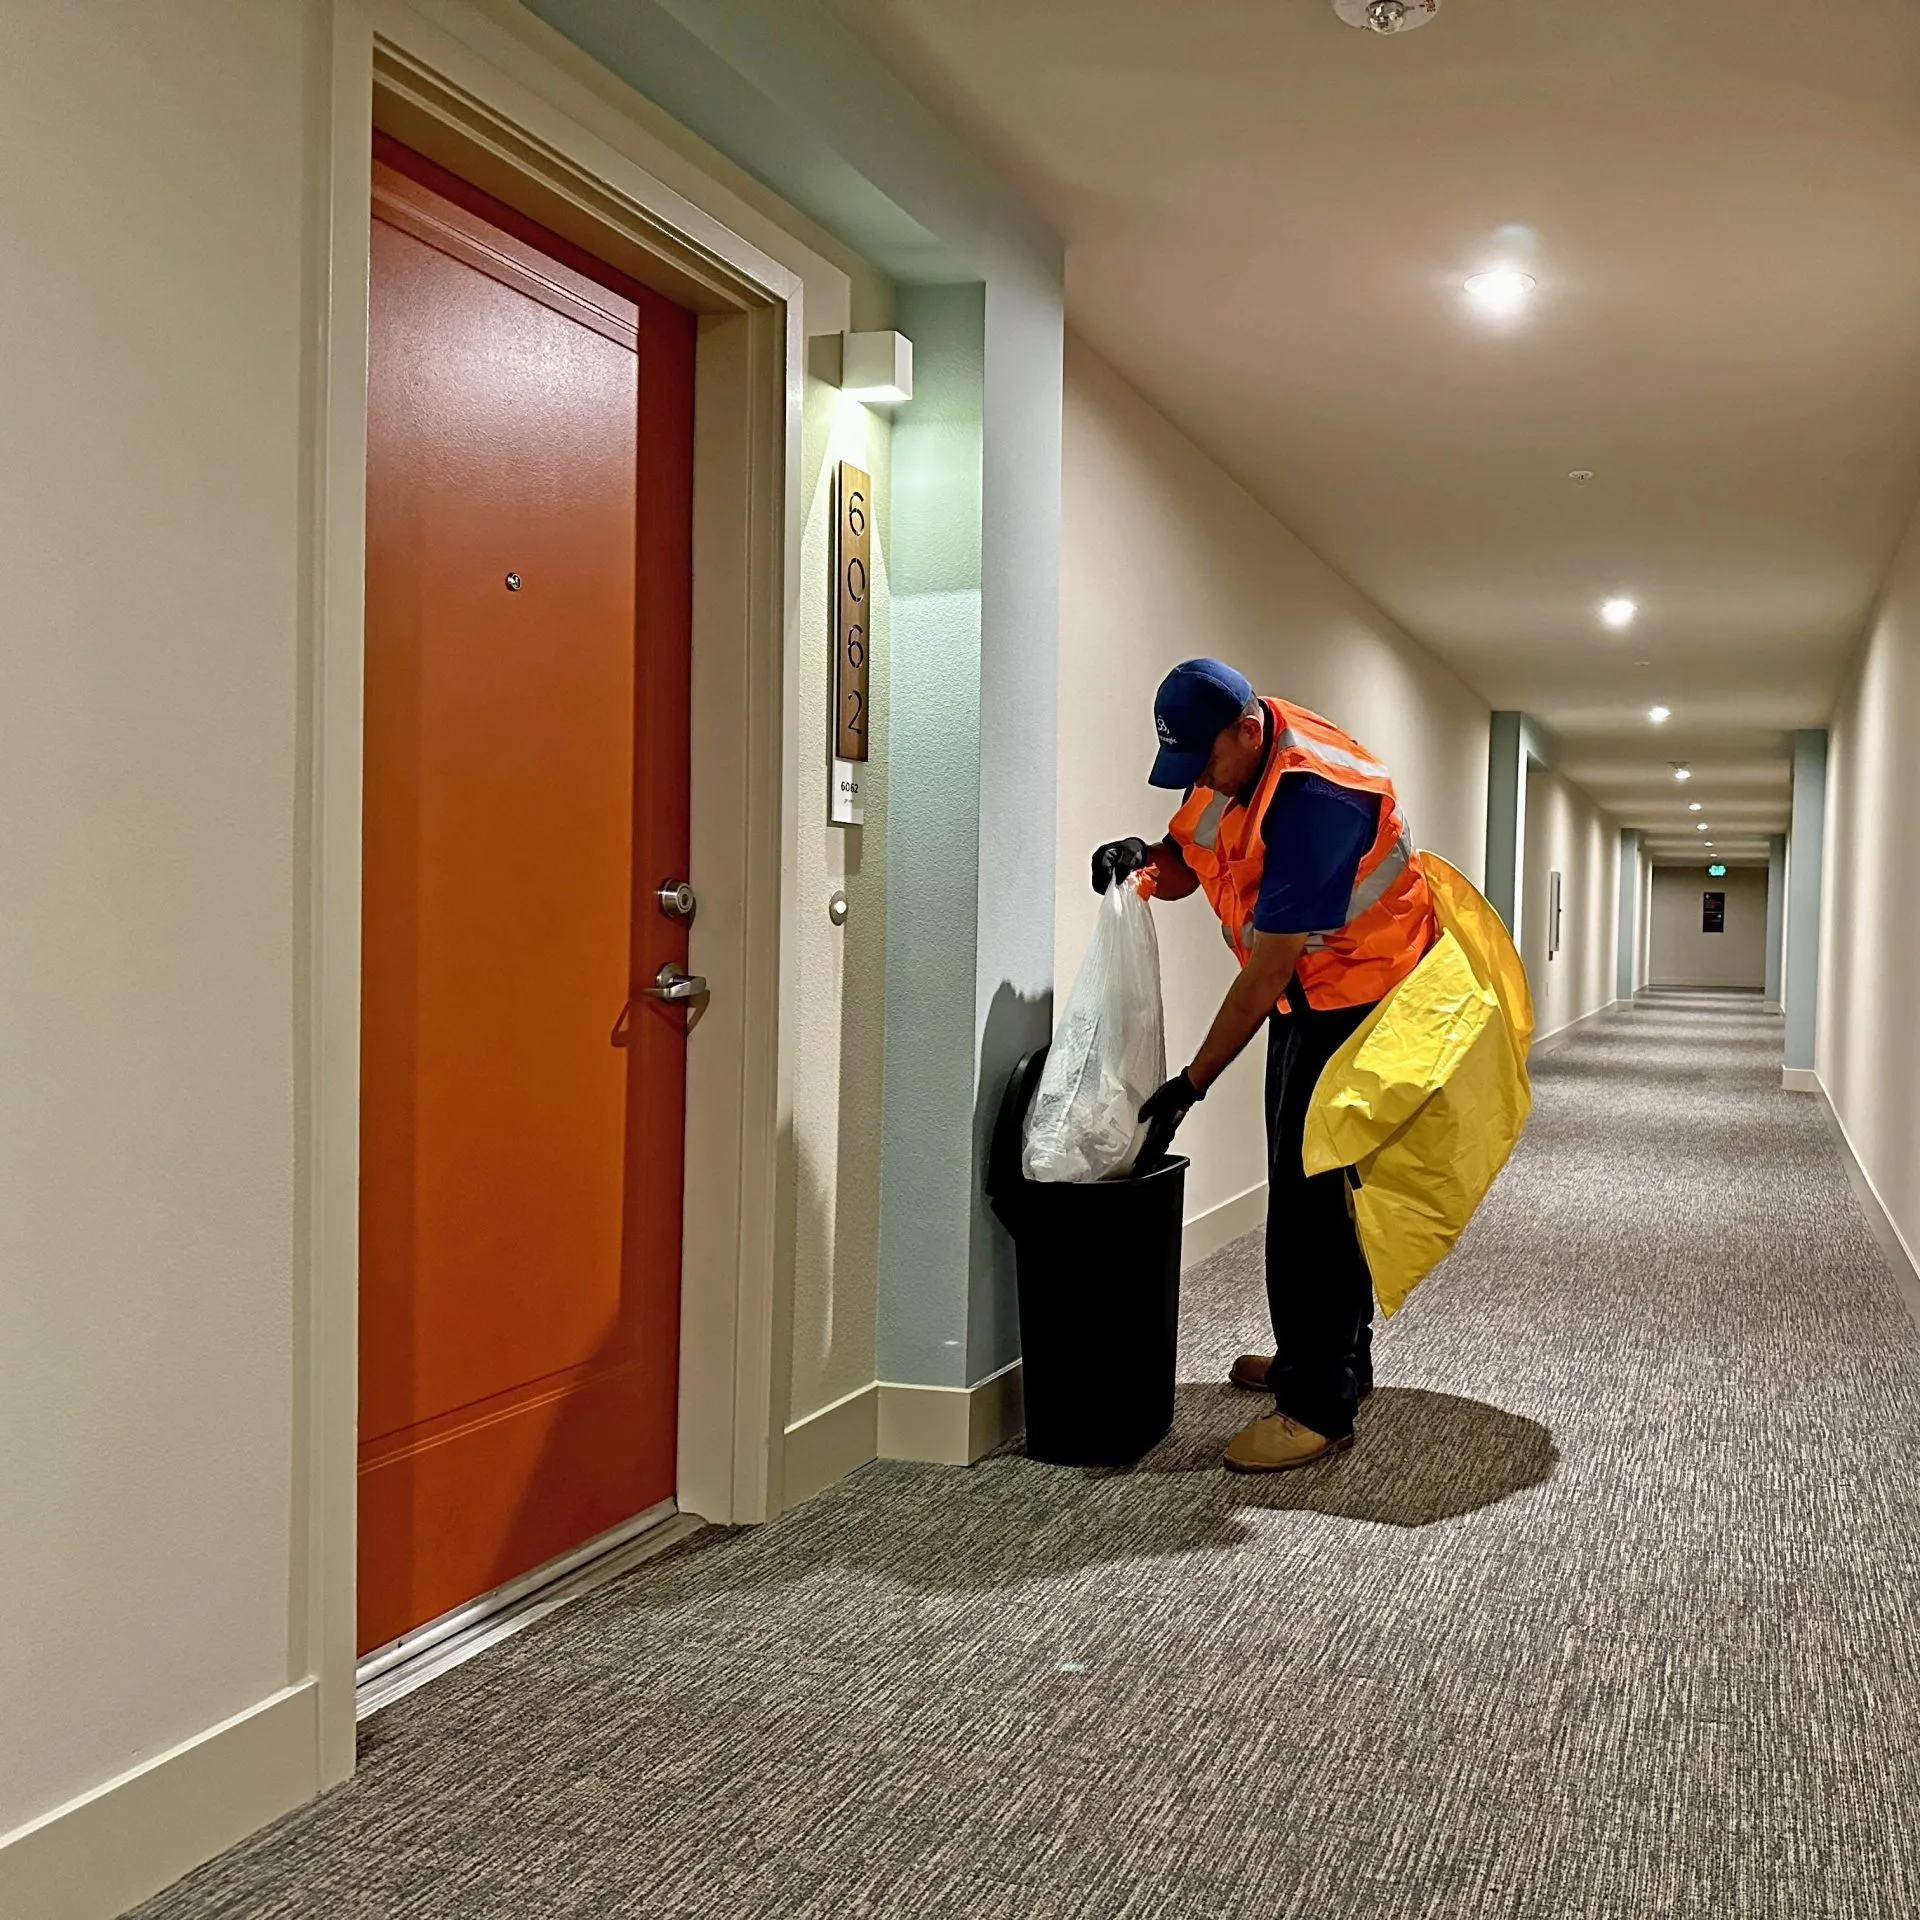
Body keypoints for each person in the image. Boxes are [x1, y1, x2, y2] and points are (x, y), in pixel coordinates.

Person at [1092, 658, 1437, 1473]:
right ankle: (1330, 1363)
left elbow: (1270, 968)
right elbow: (1190, 861)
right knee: (1315, 1185)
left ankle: (1316, 1407)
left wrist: (1192, 1082)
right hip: (1306, 997)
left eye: (1204, 761)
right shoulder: (1226, 759)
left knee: (1310, 1201)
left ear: (1247, 731)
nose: (1197, 780)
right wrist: (1142, 858)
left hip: (1359, 1001)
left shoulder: (1318, 800)